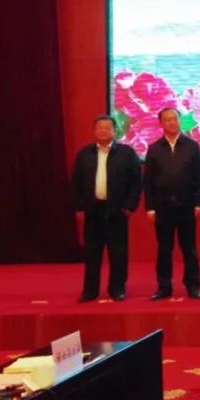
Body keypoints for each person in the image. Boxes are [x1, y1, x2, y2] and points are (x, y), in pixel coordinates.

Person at [71, 115, 142, 302]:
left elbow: (136, 182)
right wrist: (78, 206)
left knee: (118, 253)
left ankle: (117, 289)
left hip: (117, 211)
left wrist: (130, 206)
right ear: (94, 131)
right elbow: (76, 182)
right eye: (99, 128)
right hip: (92, 211)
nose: (103, 131)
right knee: (92, 253)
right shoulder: (85, 154)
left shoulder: (127, 153)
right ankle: (90, 291)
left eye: (107, 128)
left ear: (115, 131)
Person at [144, 107, 200, 300]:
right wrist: (149, 207)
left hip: (187, 206)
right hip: (162, 207)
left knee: (189, 248)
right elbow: (148, 181)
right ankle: (164, 287)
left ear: (180, 120)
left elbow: (199, 177)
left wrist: (199, 203)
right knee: (164, 249)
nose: (172, 122)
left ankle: (193, 285)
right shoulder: (154, 148)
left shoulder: (192, 146)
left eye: (175, 119)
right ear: (161, 123)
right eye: (168, 119)